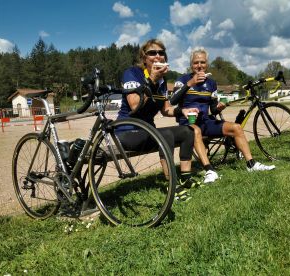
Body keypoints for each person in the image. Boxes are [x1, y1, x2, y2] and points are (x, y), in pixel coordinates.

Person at [116, 39, 213, 201]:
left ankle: (185, 178)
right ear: (144, 57)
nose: (157, 56)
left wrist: (183, 110)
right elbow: (134, 105)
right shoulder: (132, 73)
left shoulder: (162, 81)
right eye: (152, 53)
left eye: (161, 53)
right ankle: (172, 186)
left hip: (148, 131)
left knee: (188, 131)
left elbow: (166, 109)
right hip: (127, 131)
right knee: (166, 134)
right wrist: (151, 79)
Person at [170, 47, 276, 172]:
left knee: (236, 128)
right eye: (196, 62)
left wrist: (220, 106)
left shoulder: (211, 83)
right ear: (191, 65)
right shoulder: (182, 80)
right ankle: (210, 171)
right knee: (196, 131)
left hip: (206, 122)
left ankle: (251, 164)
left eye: (202, 62)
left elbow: (213, 110)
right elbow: (172, 101)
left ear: (207, 64)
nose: (199, 65)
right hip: (188, 123)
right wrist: (190, 83)